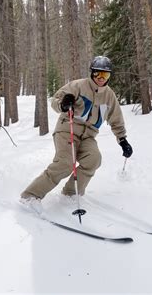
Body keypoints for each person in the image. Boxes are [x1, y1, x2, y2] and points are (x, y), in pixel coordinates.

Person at [20, 56, 133, 206]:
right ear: (91, 73)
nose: (100, 78)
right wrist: (64, 104)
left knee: (93, 159)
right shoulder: (78, 86)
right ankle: (30, 196)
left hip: (88, 136)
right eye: (97, 74)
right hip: (68, 128)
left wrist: (123, 140)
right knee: (65, 163)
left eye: (105, 75)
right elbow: (56, 100)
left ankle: (70, 193)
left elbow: (116, 120)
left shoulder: (109, 96)